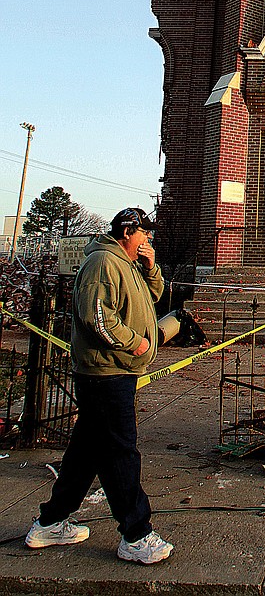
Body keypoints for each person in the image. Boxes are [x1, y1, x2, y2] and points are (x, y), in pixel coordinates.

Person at [25, 207, 174, 564]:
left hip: (116, 371)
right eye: (143, 233)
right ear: (127, 232)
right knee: (120, 452)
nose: (148, 238)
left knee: (85, 453)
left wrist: (151, 267)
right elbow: (96, 317)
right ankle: (135, 534)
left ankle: (50, 522)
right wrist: (134, 342)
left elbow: (154, 297)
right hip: (105, 373)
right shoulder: (103, 264)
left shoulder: (126, 262)